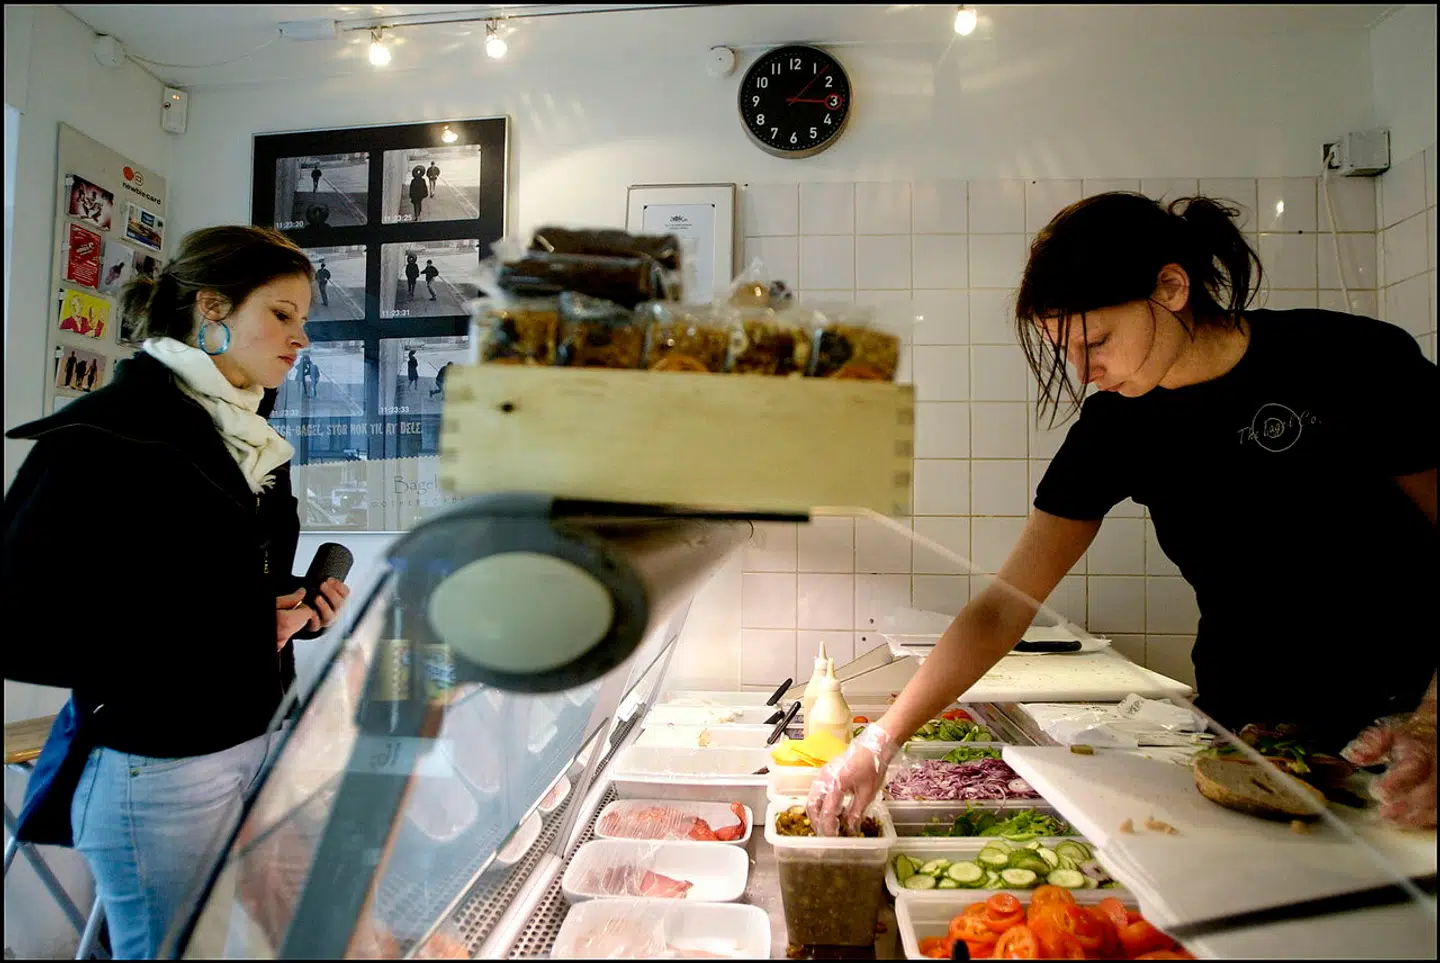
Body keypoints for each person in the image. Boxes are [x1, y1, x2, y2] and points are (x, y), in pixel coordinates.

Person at [807, 192, 1437, 837]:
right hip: (1247, 732)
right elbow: (1002, 608)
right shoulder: (1119, 425)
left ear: (1171, 288)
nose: (1084, 372)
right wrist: (881, 740)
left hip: (1407, 726)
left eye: (1098, 341)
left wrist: (1433, 722)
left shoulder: (1349, 359)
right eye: (1066, 351)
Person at [3, 225, 353, 959]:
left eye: (303, 318)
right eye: (282, 314)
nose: (301, 337)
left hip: (261, 735)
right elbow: (21, 624)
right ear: (211, 308)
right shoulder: (107, 436)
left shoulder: (252, 438)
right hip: (159, 764)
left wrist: (300, 606)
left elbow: (218, 583)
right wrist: (231, 629)